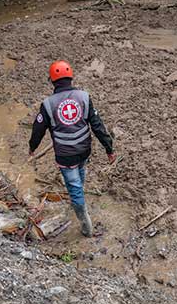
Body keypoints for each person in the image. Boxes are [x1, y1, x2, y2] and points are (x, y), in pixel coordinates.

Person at [28, 60, 115, 237]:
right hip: (84, 150)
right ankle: (79, 198)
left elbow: (38, 129)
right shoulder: (84, 97)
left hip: (65, 155)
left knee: (74, 186)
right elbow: (97, 125)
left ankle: (86, 227)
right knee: (80, 173)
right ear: (71, 77)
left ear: (52, 81)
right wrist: (109, 148)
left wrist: (32, 147)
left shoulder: (48, 104)